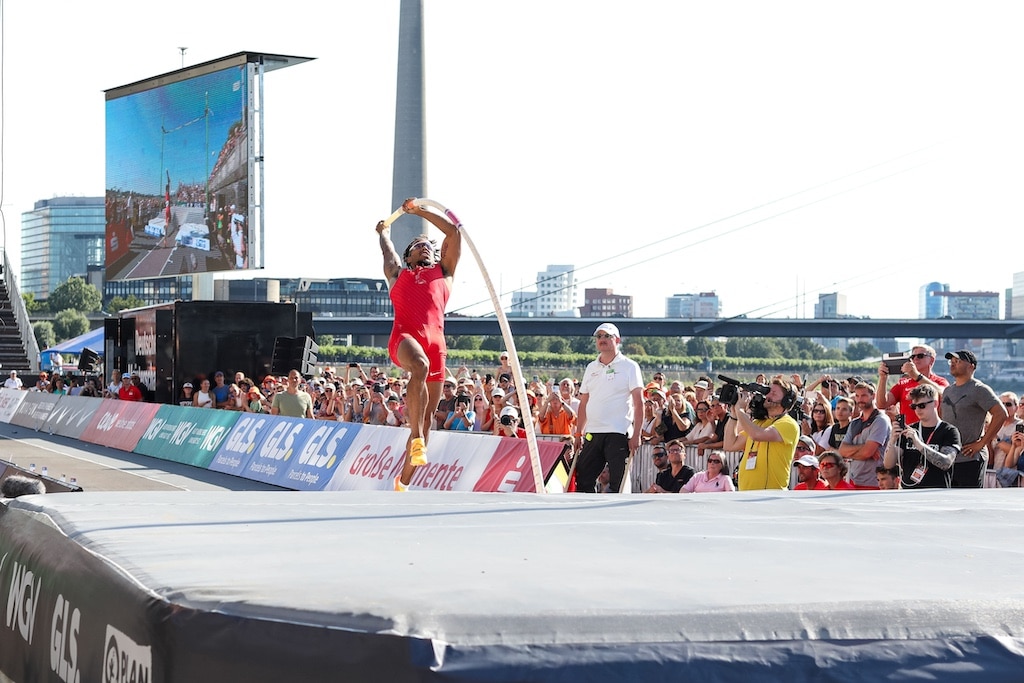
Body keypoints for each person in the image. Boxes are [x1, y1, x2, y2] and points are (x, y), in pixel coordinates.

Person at [377, 199, 462, 491]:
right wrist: (384, 233)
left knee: (425, 424)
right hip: (405, 338)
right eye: (417, 244)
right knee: (419, 366)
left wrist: (420, 212)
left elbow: (453, 234)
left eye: (428, 244)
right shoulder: (397, 274)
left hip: (437, 346)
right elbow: (388, 251)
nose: (424, 246)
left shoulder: (445, 272)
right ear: (408, 256)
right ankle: (415, 437)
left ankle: (402, 484)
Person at [573, 323, 644, 495]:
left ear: (617, 340)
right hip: (593, 432)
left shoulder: (630, 366)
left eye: (607, 336)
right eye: (599, 336)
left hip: (618, 432)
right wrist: (578, 433)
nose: (602, 340)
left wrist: (637, 434)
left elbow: (639, 402)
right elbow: (583, 402)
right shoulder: (591, 367)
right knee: (583, 478)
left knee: (617, 483)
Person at [941, 350, 1006, 488]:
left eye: (957, 361)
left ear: (971, 366)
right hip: (948, 458)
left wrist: (982, 443)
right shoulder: (947, 391)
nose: (953, 363)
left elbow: (1001, 413)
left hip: (970, 458)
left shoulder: (979, 389)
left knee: (970, 503)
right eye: (951, 361)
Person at [727, 378, 801, 491]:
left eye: (774, 393)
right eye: (768, 392)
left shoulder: (788, 424)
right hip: (746, 493)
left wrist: (741, 410)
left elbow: (757, 435)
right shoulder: (758, 423)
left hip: (770, 495)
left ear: (787, 401)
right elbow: (730, 444)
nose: (768, 396)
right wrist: (733, 415)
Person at [884, 383, 960, 489]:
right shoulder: (908, 430)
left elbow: (946, 463)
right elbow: (888, 465)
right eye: (914, 406)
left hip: (936, 492)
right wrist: (892, 440)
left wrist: (919, 444)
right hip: (908, 492)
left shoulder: (949, 431)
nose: (918, 410)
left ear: (935, 403)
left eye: (922, 406)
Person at [876, 344, 949, 426]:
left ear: (931, 360)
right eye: (912, 356)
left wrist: (917, 376)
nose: (915, 359)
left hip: (932, 431)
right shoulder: (903, 383)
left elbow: (944, 394)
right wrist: (883, 378)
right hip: (909, 432)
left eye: (920, 356)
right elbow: (881, 404)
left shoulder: (940, 381)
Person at [838, 382, 890, 489]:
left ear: (873, 396)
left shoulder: (881, 420)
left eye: (864, 395)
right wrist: (864, 447)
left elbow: (867, 452)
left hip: (874, 482)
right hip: (853, 480)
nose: (860, 399)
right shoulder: (854, 422)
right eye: (857, 395)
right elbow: (842, 451)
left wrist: (851, 454)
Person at [987, 392, 1021, 469]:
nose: (1005, 407)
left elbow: (1018, 453)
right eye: (1002, 404)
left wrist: (997, 439)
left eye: (1008, 404)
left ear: (1016, 408)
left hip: (1011, 474)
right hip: (994, 471)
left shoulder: (1020, 425)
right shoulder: (994, 425)